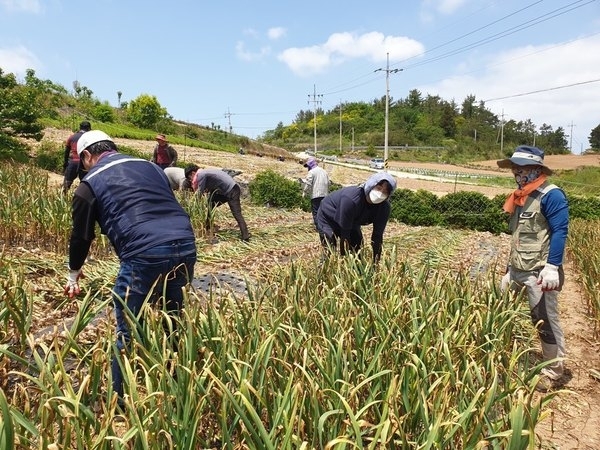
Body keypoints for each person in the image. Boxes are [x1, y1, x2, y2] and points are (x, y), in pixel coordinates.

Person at [63, 130, 197, 402]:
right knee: (172, 320)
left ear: (87, 156)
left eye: (82, 160)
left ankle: (120, 402)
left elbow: (81, 236)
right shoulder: (151, 167)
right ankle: (176, 388)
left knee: (127, 330)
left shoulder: (89, 183)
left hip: (143, 253)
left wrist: (73, 274)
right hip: (185, 243)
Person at [497, 145, 569, 392]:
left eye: (522, 168)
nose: (517, 173)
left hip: (539, 270)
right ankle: (503, 351)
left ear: (536, 169)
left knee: (544, 318)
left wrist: (552, 267)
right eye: (515, 168)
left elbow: (560, 231)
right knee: (499, 304)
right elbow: (518, 236)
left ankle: (553, 370)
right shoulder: (520, 196)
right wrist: (509, 268)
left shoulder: (551, 195)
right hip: (518, 267)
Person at [317, 172, 396, 262]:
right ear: (371, 185)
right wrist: (344, 260)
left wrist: (375, 263)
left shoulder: (384, 208)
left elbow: (377, 236)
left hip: (352, 219)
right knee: (329, 246)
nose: (380, 193)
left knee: (356, 246)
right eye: (378, 188)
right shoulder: (351, 199)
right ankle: (325, 269)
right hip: (328, 216)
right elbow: (345, 234)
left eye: (385, 192)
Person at [185, 165, 250, 241]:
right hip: (223, 192)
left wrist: (193, 206)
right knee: (210, 204)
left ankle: (245, 237)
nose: (190, 180)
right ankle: (207, 227)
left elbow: (199, 194)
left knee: (237, 213)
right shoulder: (205, 172)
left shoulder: (201, 175)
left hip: (232, 191)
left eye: (190, 178)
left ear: (193, 173)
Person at [62, 120, 91, 193]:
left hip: (73, 162)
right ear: (89, 128)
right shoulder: (89, 138)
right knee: (85, 184)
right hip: (83, 164)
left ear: (80, 127)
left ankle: (63, 199)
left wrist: (65, 163)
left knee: (67, 182)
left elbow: (67, 151)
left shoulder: (72, 137)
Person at [301, 157, 330, 231]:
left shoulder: (312, 172)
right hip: (325, 195)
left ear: (310, 165)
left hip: (316, 196)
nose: (308, 168)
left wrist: (304, 192)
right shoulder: (324, 171)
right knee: (323, 212)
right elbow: (329, 183)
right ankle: (325, 227)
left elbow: (308, 183)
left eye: (308, 166)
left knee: (316, 213)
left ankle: (319, 229)